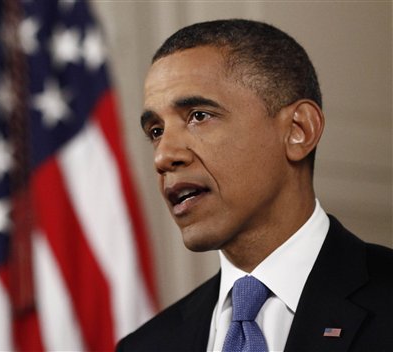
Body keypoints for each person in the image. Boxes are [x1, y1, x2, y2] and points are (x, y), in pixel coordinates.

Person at [116, 19, 393, 352]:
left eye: (199, 115)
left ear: (299, 130)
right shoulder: (146, 346)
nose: (163, 156)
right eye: (156, 131)